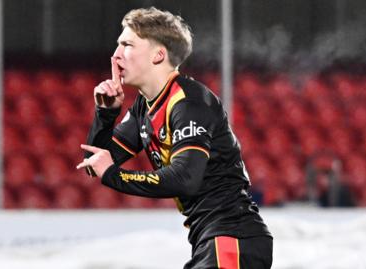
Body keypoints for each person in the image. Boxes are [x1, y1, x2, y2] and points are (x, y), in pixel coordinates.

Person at [76, 7, 273, 268]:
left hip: (231, 237)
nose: (115, 55)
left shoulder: (188, 102)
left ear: (158, 55)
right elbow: (94, 162)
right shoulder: (144, 108)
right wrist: (106, 114)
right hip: (211, 240)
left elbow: (185, 179)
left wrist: (113, 175)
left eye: (127, 45)